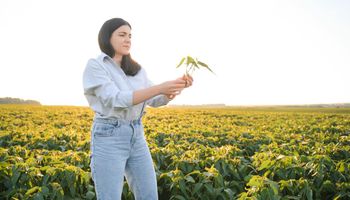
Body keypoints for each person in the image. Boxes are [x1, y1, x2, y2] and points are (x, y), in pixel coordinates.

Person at [82, 18, 193, 200]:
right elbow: (115, 99)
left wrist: (177, 87)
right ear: (107, 37)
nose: (128, 40)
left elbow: (156, 99)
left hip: (136, 134)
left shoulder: (136, 69)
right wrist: (159, 87)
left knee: (149, 195)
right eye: (122, 35)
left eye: (130, 36)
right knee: (109, 196)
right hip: (109, 135)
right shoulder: (96, 65)